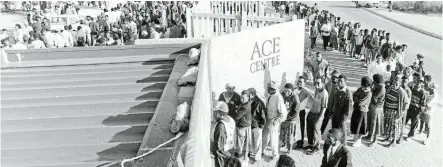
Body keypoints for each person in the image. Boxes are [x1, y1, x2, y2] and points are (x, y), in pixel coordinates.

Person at [262, 81, 287, 159]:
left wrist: (275, 122)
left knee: (274, 140)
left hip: (273, 122)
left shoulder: (278, 98)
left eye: (268, 88)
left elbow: (284, 114)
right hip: (268, 120)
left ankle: (275, 156)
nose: (267, 89)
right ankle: (261, 151)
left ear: (272, 89)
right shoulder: (271, 96)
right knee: (265, 136)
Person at [382, 75, 409, 147]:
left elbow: (406, 104)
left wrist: (401, 113)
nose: (395, 84)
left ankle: (393, 142)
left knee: (394, 127)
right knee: (388, 126)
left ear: (399, 83)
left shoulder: (402, 92)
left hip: (395, 112)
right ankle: (388, 138)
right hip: (388, 110)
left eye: (396, 83)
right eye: (394, 82)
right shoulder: (390, 88)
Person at [306, 76, 328, 155]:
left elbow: (324, 107)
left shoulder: (324, 93)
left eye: (318, 83)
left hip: (318, 115)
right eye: (315, 82)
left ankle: (316, 148)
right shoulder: (316, 90)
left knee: (316, 131)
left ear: (323, 83)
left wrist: (320, 118)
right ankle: (311, 145)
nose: (316, 84)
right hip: (312, 113)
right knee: (309, 129)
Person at [330, 74, 353, 147]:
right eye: (338, 81)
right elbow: (333, 101)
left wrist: (345, 117)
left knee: (342, 131)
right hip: (335, 114)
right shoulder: (336, 89)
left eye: (341, 81)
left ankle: (343, 146)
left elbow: (349, 106)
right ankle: (335, 143)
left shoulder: (347, 91)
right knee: (334, 129)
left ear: (345, 82)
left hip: (342, 115)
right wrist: (331, 111)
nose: (339, 82)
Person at [211, 101, 236, 167]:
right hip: (230, 147)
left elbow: (219, 147)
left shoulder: (220, 126)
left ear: (220, 112)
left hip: (224, 154)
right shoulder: (230, 119)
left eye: (215, 111)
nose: (214, 113)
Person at [350, 76, 372, 147]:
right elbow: (353, 95)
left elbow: (360, 103)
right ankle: (355, 137)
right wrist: (356, 98)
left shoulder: (368, 93)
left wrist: (356, 98)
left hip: (362, 112)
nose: (361, 86)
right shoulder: (360, 89)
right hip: (356, 109)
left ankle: (359, 140)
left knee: (361, 126)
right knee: (356, 125)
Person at [365, 74, 386, 147]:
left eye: (374, 80)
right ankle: (369, 136)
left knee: (376, 124)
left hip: (377, 108)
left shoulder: (381, 88)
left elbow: (373, 97)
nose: (373, 82)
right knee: (371, 122)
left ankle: (375, 141)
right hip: (373, 107)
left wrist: (371, 89)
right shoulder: (378, 86)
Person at [405, 76, 428, 142]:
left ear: (422, 83)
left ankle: (410, 135)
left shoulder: (422, 92)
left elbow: (423, 104)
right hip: (408, 108)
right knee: (404, 122)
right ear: (416, 81)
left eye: (420, 82)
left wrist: (419, 109)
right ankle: (400, 133)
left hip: (416, 111)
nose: (419, 82)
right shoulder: (411, 88)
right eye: (418, 81)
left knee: (413, 124)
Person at [232, 90, 252, 160]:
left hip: (242, 125)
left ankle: (240, 153)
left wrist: (234, 121)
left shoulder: (245, 107)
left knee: (241, 139)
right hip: (247, 124)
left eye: (243, 98)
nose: (241, 99)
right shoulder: (248, 103)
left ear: (248, 98)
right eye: (241, 98)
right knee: (246, 140)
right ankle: (246, 152)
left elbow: (238, 116)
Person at [280, 83, 300, 154]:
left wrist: (287, 117)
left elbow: (296, 112)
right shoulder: (282, 94)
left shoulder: (295, 98)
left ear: (292, 91)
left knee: (290, 135)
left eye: (288, 91)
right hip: (285, 118)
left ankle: (290, 149)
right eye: (285, 91)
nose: (286, 93)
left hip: (291, 120)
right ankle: (284, 144)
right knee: (284, 133)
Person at [247, 88, 266, 161]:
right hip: (250, 125)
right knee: (251, 140)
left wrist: (261, 126)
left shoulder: (259, 103)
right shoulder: (249, 101)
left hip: (257, 125)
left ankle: (257, 157)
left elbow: (263, 115)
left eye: (248, 94)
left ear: (252, 95)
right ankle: (252, 153)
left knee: (258, 142)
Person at [294, 76, 312, 150]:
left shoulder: (306, 92)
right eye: (298, 81)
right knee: (295, 126)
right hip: (295, 111)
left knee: (301, 126)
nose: (299, 83)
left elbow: (310, 101)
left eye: (301, 82)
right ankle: (296, 140)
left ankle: (301, 142)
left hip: (301, 111)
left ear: (304, 83)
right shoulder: (295, 90)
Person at [321, 70, 340, 134]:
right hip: (328, 105)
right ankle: (320, 133)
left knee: (335, 124)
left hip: (335, 108)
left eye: (335, 77)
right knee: (324, 121)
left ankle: (334, 137)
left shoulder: (339, 86)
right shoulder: (329, 83)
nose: (334, 78)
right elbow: (324, 92)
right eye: (332, 76)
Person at [419, 75, 435, 145]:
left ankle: (428, 138)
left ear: (428, 81)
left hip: (428, 109)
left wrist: (427, 104)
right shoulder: (422, 87)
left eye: (425, 80)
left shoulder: (432, 90)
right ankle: (420, 131)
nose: (424, 81)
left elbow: (432, 100)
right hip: (422, 107)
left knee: (428, 124)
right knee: (421, 120)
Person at [397, 75, 412, 144]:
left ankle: (400, 137)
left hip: (403, 110)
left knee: (402, 124)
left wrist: (403, 111)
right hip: (397, 107)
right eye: (402, 81)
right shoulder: (399, 87)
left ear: (408, 82)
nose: (403, 83)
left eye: (405, 82)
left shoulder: (408, 91)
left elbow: (407, 103)